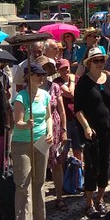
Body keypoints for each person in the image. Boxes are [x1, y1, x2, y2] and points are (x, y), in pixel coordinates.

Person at [74, 47, 110, 218]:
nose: (99, 63)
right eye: (96, 60)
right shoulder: (84, 82)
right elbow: (78, 109)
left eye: (102, 60)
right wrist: (85, 126)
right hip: (90, 131)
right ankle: (89, 202)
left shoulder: (109, 80)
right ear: (89, 63)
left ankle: (100, 199)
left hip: (106, 129)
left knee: (104, 164)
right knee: (91, 165)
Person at [11, 62, 53, 220]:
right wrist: (25, 124)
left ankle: (38, 218)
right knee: (23, 184)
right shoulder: (21, 97)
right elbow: (17, 123)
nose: (41, 78)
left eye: (43, 75)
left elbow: (48, 116)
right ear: (29, 77)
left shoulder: (44, 95)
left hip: (40, 141)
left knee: (39, 180)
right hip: (22, 142)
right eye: (38, 75)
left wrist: (50, 131)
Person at [38, 55, 68, 211]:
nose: (42, 74)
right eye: (40, 71)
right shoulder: (30, 89)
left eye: (45, 71)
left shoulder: (54, 87)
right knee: (39, 166)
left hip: (55, 128)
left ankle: (59, 197)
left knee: (57, 164)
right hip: (37, 129)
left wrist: (64, 130)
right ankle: (39, 200)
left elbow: (62, 111)